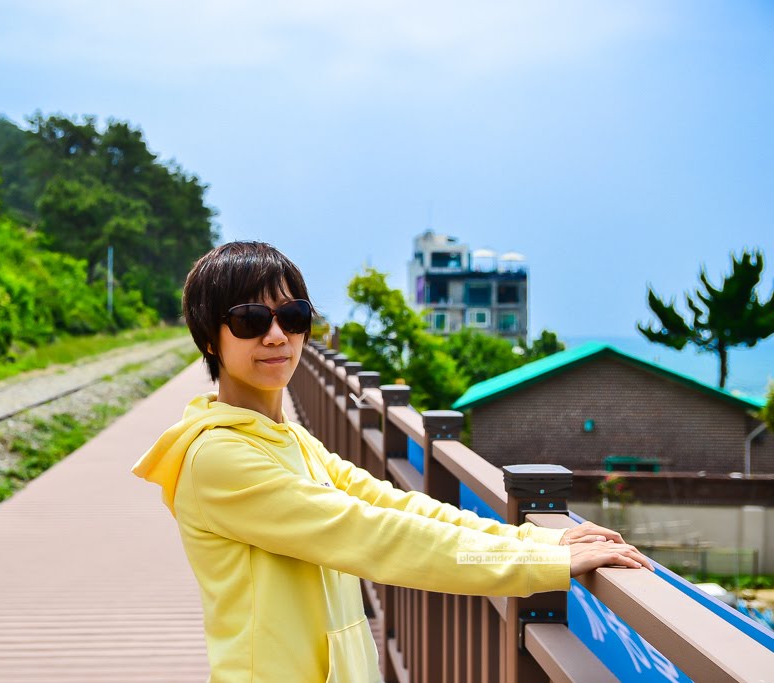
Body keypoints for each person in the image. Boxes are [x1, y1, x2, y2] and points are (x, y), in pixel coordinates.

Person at [133, 241, 653, 683]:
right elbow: (374, 535)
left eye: (291, 316)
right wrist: (541, 565)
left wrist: (540, 540)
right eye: (249, 320)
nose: (276, 336)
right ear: (208, 338)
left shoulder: (288, 440)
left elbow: (398, 507)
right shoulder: (219, 459)